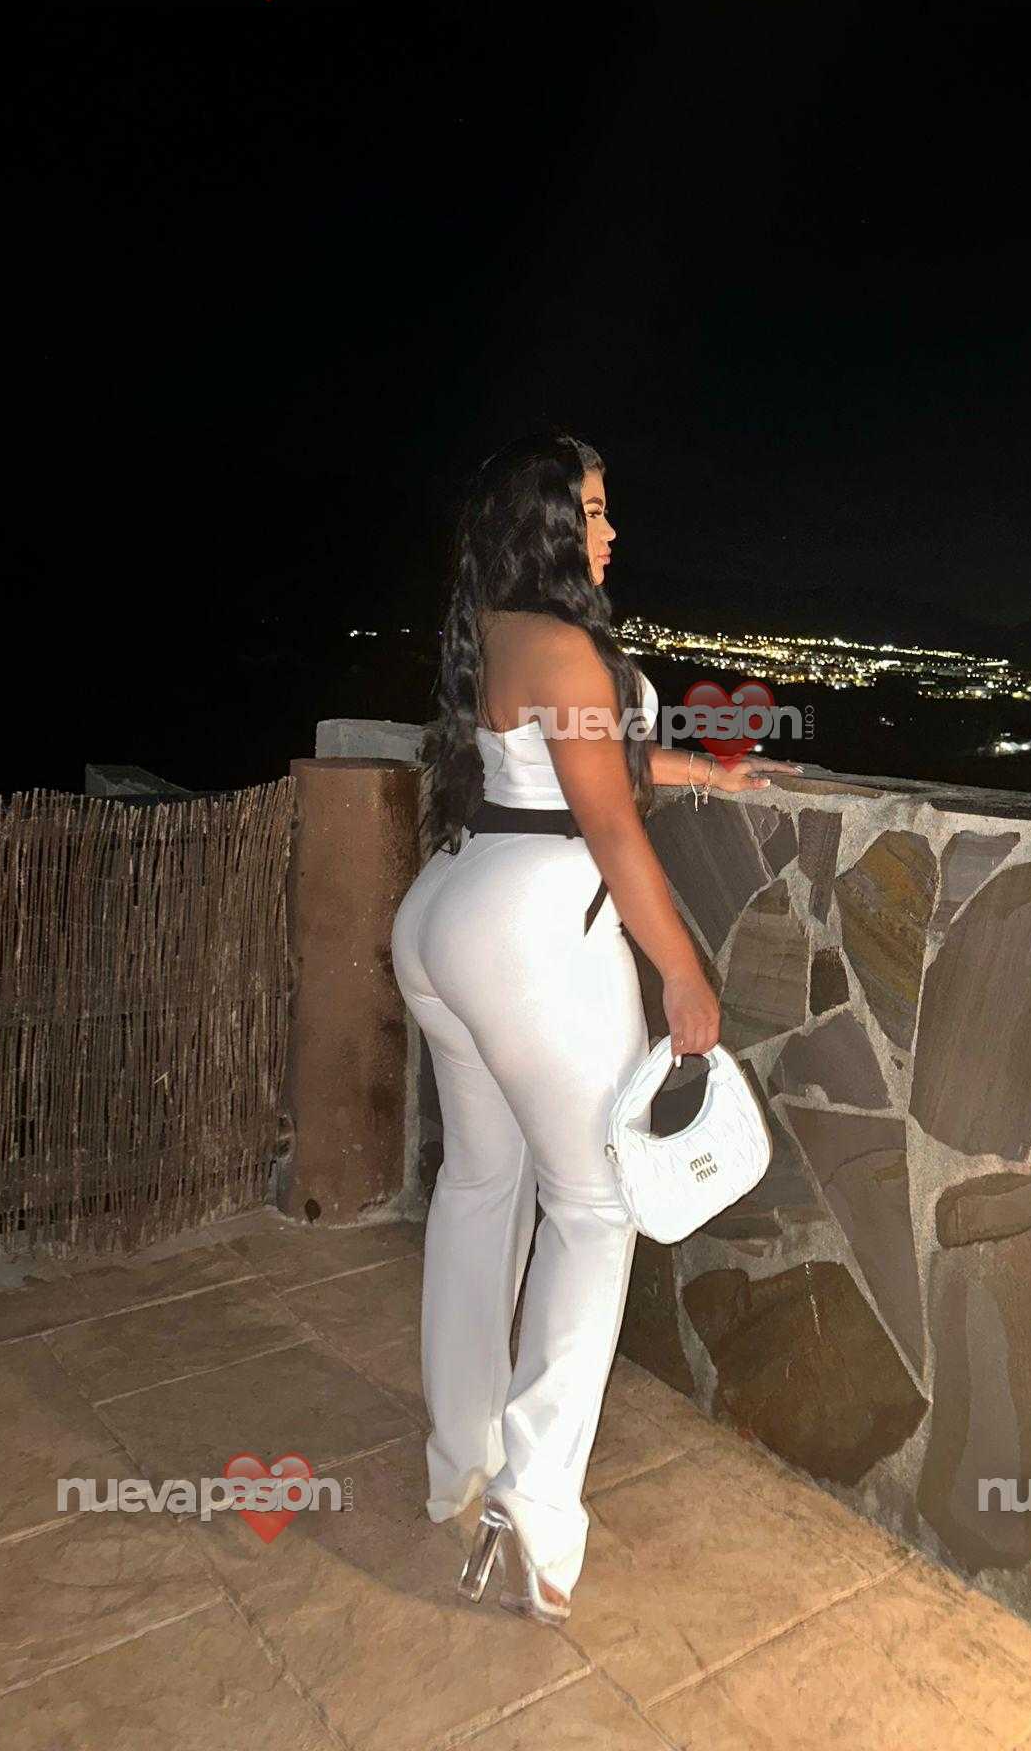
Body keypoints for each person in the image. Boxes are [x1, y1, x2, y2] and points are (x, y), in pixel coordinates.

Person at [390, 430, 801, 1623]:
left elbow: (573, 771)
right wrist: (681, 972)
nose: (612, 530)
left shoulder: (498, 626)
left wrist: (707, 772)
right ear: (550, 523)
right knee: (593, 1205)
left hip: (447, 908)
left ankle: (460, 1459)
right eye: (596, 509)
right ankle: (533, 1508)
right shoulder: (567, 645)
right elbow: (607, 827)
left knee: (481, 1188)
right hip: (530, 931)